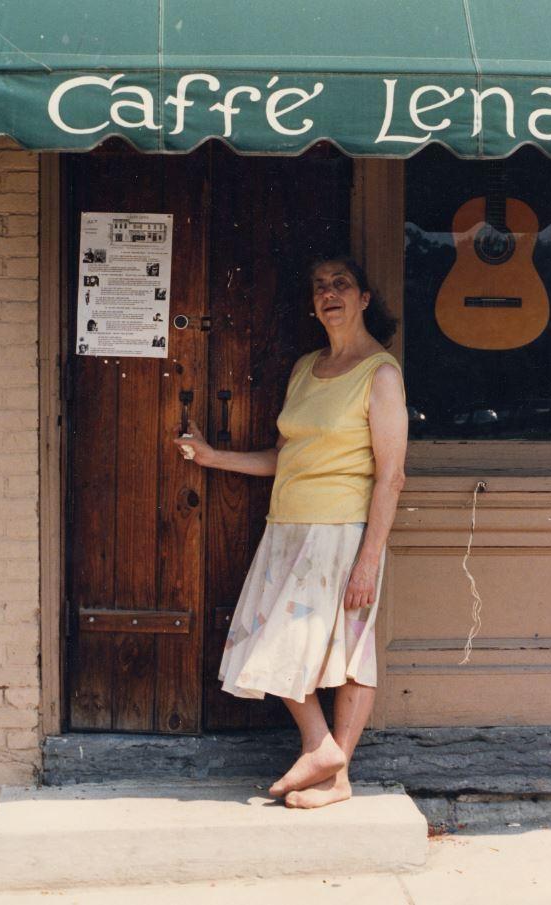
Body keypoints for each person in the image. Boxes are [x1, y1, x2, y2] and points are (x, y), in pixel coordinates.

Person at [174, 256, 408, 809]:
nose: (330, 294)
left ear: (365, 298)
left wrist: (369, 558)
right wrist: (213, 458)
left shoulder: (381, 374)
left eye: (342, 284)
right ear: (312, 303)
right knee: (274, 634)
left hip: (339, 533)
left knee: (344, 647)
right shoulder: (306, 368)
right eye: (320, 286)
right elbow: (285, 459)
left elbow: (392, 474)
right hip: (287, 527)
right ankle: (332, 767)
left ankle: (324, 752)